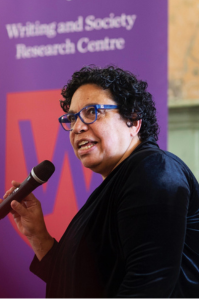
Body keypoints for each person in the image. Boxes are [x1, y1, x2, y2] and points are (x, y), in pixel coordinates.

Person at [2, 65, 199, 297]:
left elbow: (147, 287)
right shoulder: (116, 184)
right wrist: (38, 237)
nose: (77, 127)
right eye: (72, 118)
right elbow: (83, 284)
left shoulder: (154, 170)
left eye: (92, 112)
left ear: (134, 120)